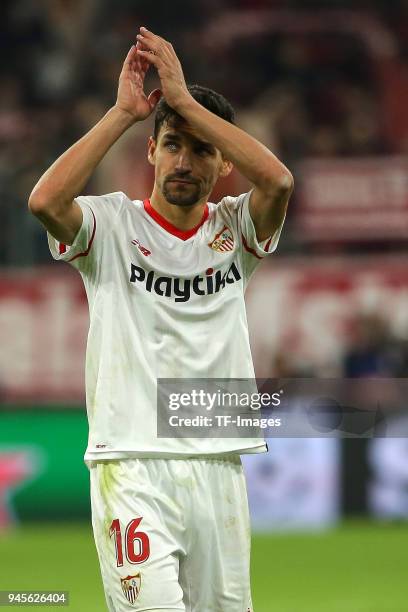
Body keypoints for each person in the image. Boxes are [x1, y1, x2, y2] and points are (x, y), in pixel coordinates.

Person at [28, 26, 293, 612]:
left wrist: (187, 102)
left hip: (219, 464)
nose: (184, 160)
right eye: (172, 143)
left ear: (224, 162)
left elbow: (277, 180)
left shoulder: (236, 232)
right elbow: (45, 202)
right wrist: (124, 114)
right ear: (150, 151)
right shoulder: (110, 228)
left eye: (201, 149)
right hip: (132, 463)